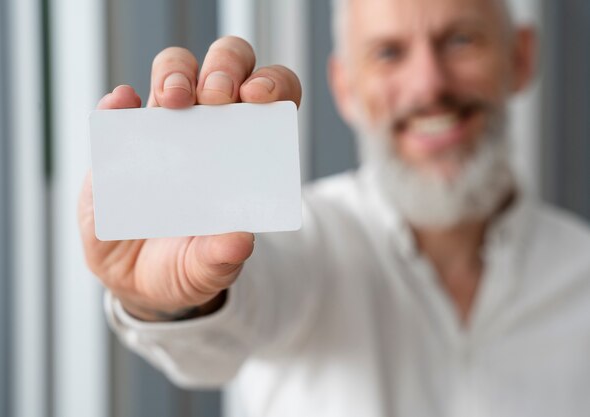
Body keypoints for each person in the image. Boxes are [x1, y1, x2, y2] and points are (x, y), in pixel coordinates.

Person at [79, 0, 590, 415]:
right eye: (389, 52)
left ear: (520, 58)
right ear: (346, 87)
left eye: (461, 40)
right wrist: (172, 301)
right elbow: (233, 318)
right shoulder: (306, 243)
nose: (429, 85)